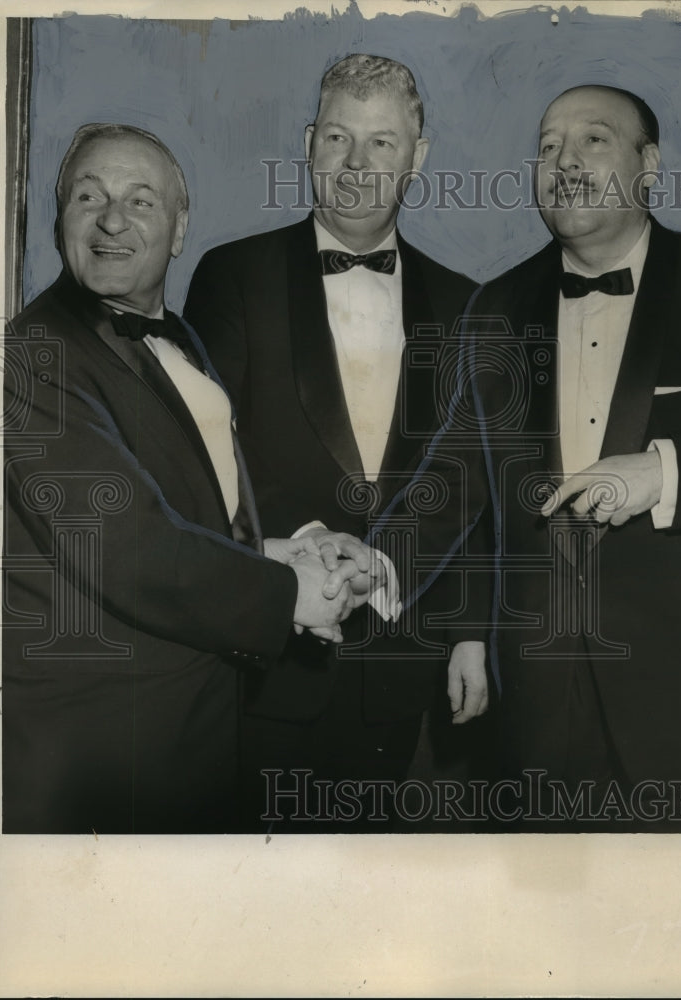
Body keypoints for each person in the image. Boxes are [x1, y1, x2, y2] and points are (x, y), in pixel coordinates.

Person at [2, 123, 361, 834]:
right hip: (103, 747)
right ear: (58, 216)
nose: (111, 219)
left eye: (140, 201)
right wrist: (291, 593)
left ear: (178, 227)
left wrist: (277, 548)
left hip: (197, 725)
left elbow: (188, 504)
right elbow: (124, 545)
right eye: (88, 196)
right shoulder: (31, 354)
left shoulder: (180, 336)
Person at [184, 54, 491, 830]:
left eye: (382, 144)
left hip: (398, 655)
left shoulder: (464, 305)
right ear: (309, 142)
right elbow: (203, 455)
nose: (357, 165)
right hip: (267, 654)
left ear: (416, 159)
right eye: (339, 140)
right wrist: (304, 549)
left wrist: (468, 636)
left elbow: (470, 484)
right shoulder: (232, 275)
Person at [467, 85, 681, 831]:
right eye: (547, 145)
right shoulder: (490, 308)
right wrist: (467, 631)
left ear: (648, 164)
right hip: (535, 690)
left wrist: (666, 472)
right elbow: (473, 491)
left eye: (593, 140)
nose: (564, 160)